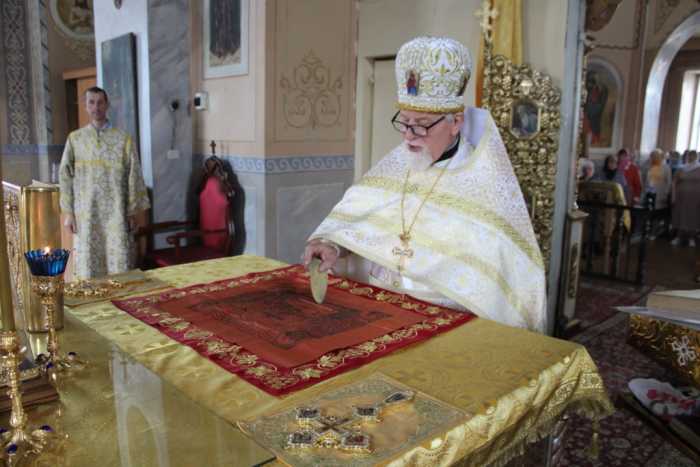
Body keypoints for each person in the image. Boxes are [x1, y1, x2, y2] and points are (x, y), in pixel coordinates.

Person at [303, 37, 546, 332]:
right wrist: (331, 245)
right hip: (375, 316)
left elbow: (504, 278)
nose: (408, 135)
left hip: (446, 327)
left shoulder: (486, 184)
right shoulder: (395, 166)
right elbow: (356, 219)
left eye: (421, 124)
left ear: (456, 122)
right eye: (404, 122)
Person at [59, 87, 150, 279]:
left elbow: (134, 175)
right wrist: (69, 212)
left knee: (118, 263)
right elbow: (65, 176)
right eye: (91, 102)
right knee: (88, 264)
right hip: (86, 213)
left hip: (116, 213)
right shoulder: (75, 139)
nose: (96, 107)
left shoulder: (123, 139)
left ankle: (121, 296)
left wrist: (132, 211)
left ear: (107, 105)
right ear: (85, 106)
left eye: (100, 102)